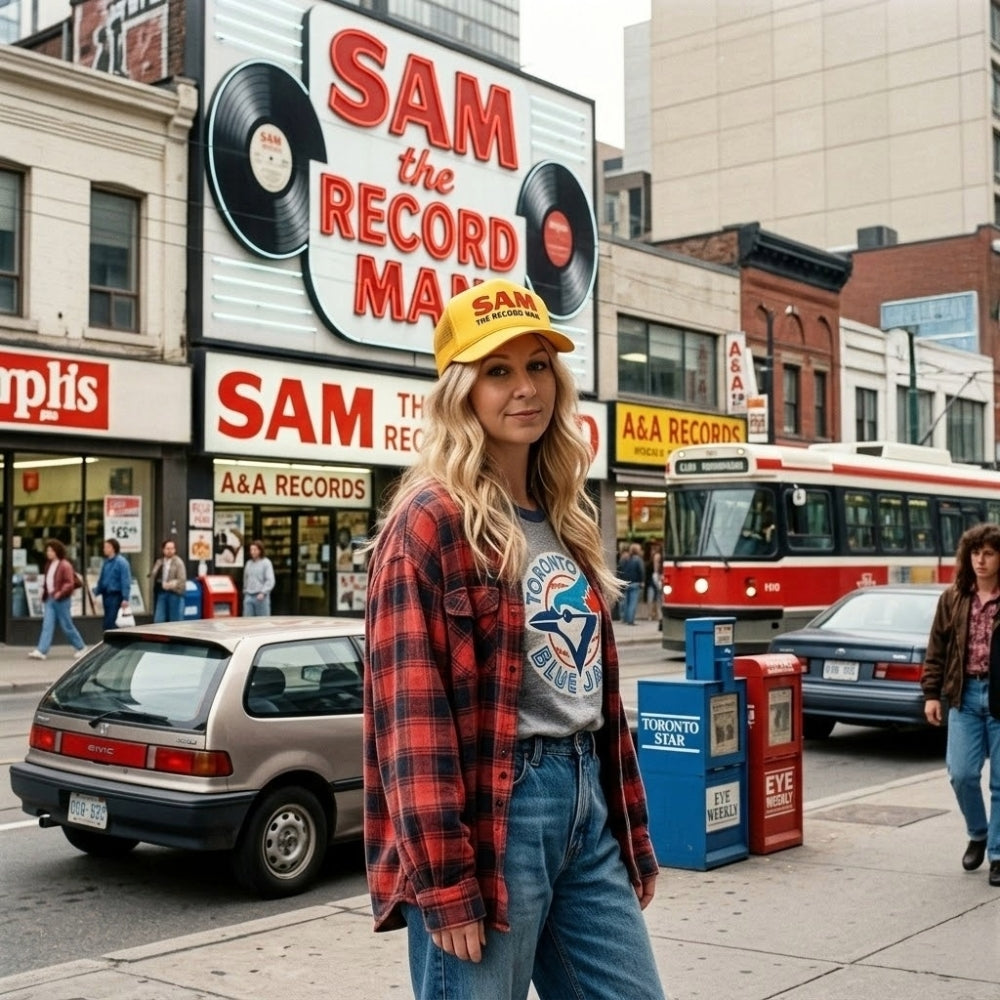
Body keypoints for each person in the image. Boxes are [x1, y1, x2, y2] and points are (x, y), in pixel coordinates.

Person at [363, 278, 664, 1000]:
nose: (524, 388)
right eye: (498, 371)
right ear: (460, 390)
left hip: (585, 802)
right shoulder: (429, 523)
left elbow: (595, 697)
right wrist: (443, 881)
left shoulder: (562, 513)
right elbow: (410, 721)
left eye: (537, 367)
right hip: (497, 814)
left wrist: (630, 835)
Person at [921, 522, 1000, 889]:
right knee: (962, 773)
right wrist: (931, 694)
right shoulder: (953, 597)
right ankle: (978, 833)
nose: (980, 560)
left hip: (999, 698)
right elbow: (936, 650)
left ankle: (998, 854)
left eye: (988, 553)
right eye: (975, 552)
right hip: (964, 696)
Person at [28, 538, 87, 660]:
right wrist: (44, 594)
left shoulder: (65, 565)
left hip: (62, 599)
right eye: (48, 550)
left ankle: (81, 647)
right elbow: (48, 582)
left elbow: (69, 583)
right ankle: (41, 650)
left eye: (51, 550)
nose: (48, 552)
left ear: (57, 551)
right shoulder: (49, 565)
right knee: (47, 624)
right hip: (51, 598)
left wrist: (60, 593)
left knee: (67, 625)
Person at [93, 537, 133, 630]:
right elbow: (102, 579)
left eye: (106, 547)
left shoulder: (122, 562)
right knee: (107, 620)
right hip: (106, 595)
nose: (104, 549)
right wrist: (96, 593)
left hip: (115, 595)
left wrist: (125, 598)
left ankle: (112, 641)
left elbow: (125, 580)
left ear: (113, 548)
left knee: (110, 622)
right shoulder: (106, 562)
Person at [149, 538, 186, 623]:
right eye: (168, 549)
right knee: (159, 619)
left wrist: (170, 585)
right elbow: (153, 575)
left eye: (172, 549)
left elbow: (182, 579)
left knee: (175, 620)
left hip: (175, 593)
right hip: (162, 592)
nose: (170, 551)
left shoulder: (178, 562)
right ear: (163, 550)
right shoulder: (160, 561)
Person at [242, 539, 275, 616]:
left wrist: (263, 593)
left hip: (261, 596)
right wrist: (245, 591)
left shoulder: (266, 563)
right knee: (247, 621)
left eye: (255, 549)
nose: (252, 552)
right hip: (248, 596)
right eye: (251, 550)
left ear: (260, 550)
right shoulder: (248, 563)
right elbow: (245, 578)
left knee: (262, 622)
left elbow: (270, 580)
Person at [617, 541, 645, 625]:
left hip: (625, 583)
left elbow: (619, 570)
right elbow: (641, 571)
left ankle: (624, 619)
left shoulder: (624, 558)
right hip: (635, 583)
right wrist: (642, 581)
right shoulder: (638, 559)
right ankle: (630, 620)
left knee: (625, 602)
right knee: (632, 603)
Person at [646, 548, 663, 621]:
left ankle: (655, 614)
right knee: (653, 599)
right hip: (652, 582)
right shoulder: (650, 565)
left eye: (658, 561)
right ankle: (652, 614)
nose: (656, 562)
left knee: (656, 599)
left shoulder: (650, 565)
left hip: (654, 581)